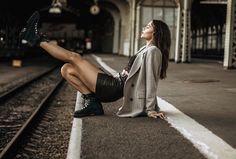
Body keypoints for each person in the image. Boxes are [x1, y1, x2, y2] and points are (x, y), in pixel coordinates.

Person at [19, 11, 171, 119]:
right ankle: (93, 104)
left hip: (113, 88)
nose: (145, 27)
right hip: (114, 80)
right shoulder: (145, 48)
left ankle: (35, 38)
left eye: (149, 26)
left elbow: (151, 80)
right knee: (67, 69)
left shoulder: (153, 51)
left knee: (75, 57)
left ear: (156, 32)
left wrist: (150, 109)